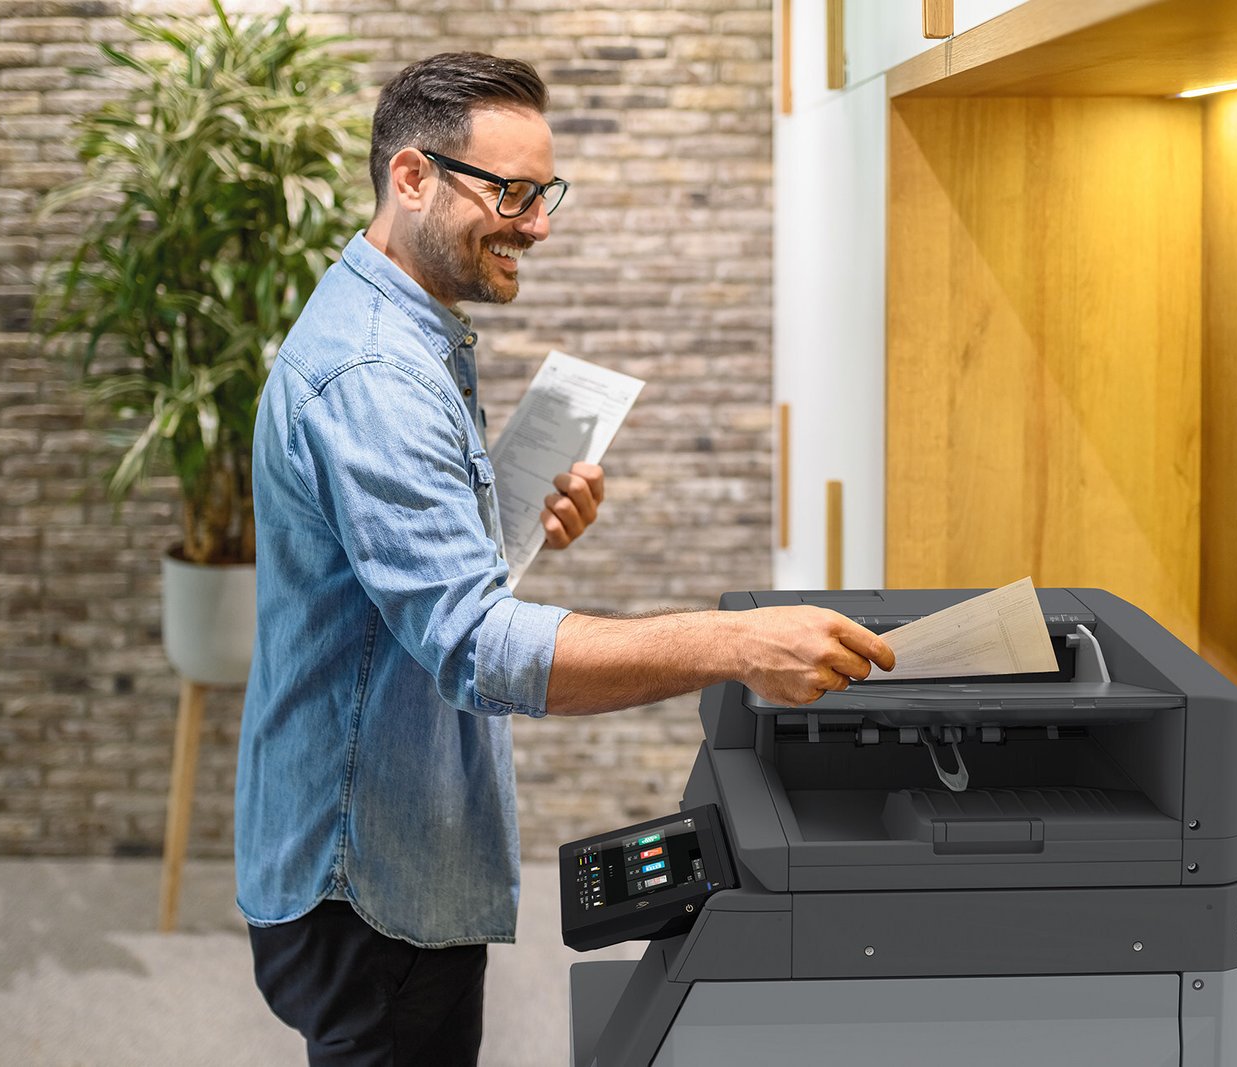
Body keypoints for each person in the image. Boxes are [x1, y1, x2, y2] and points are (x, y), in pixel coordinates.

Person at [235, 51, 894, 1066]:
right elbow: (471, 646)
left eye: (545, 193)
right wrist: (734, 641)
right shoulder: (376, 373)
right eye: (509, 191)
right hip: (368, 879)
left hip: (378, 836)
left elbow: (396, 586)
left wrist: (503, 516)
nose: (537, 223)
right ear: (410, 177)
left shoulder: (401, 327)